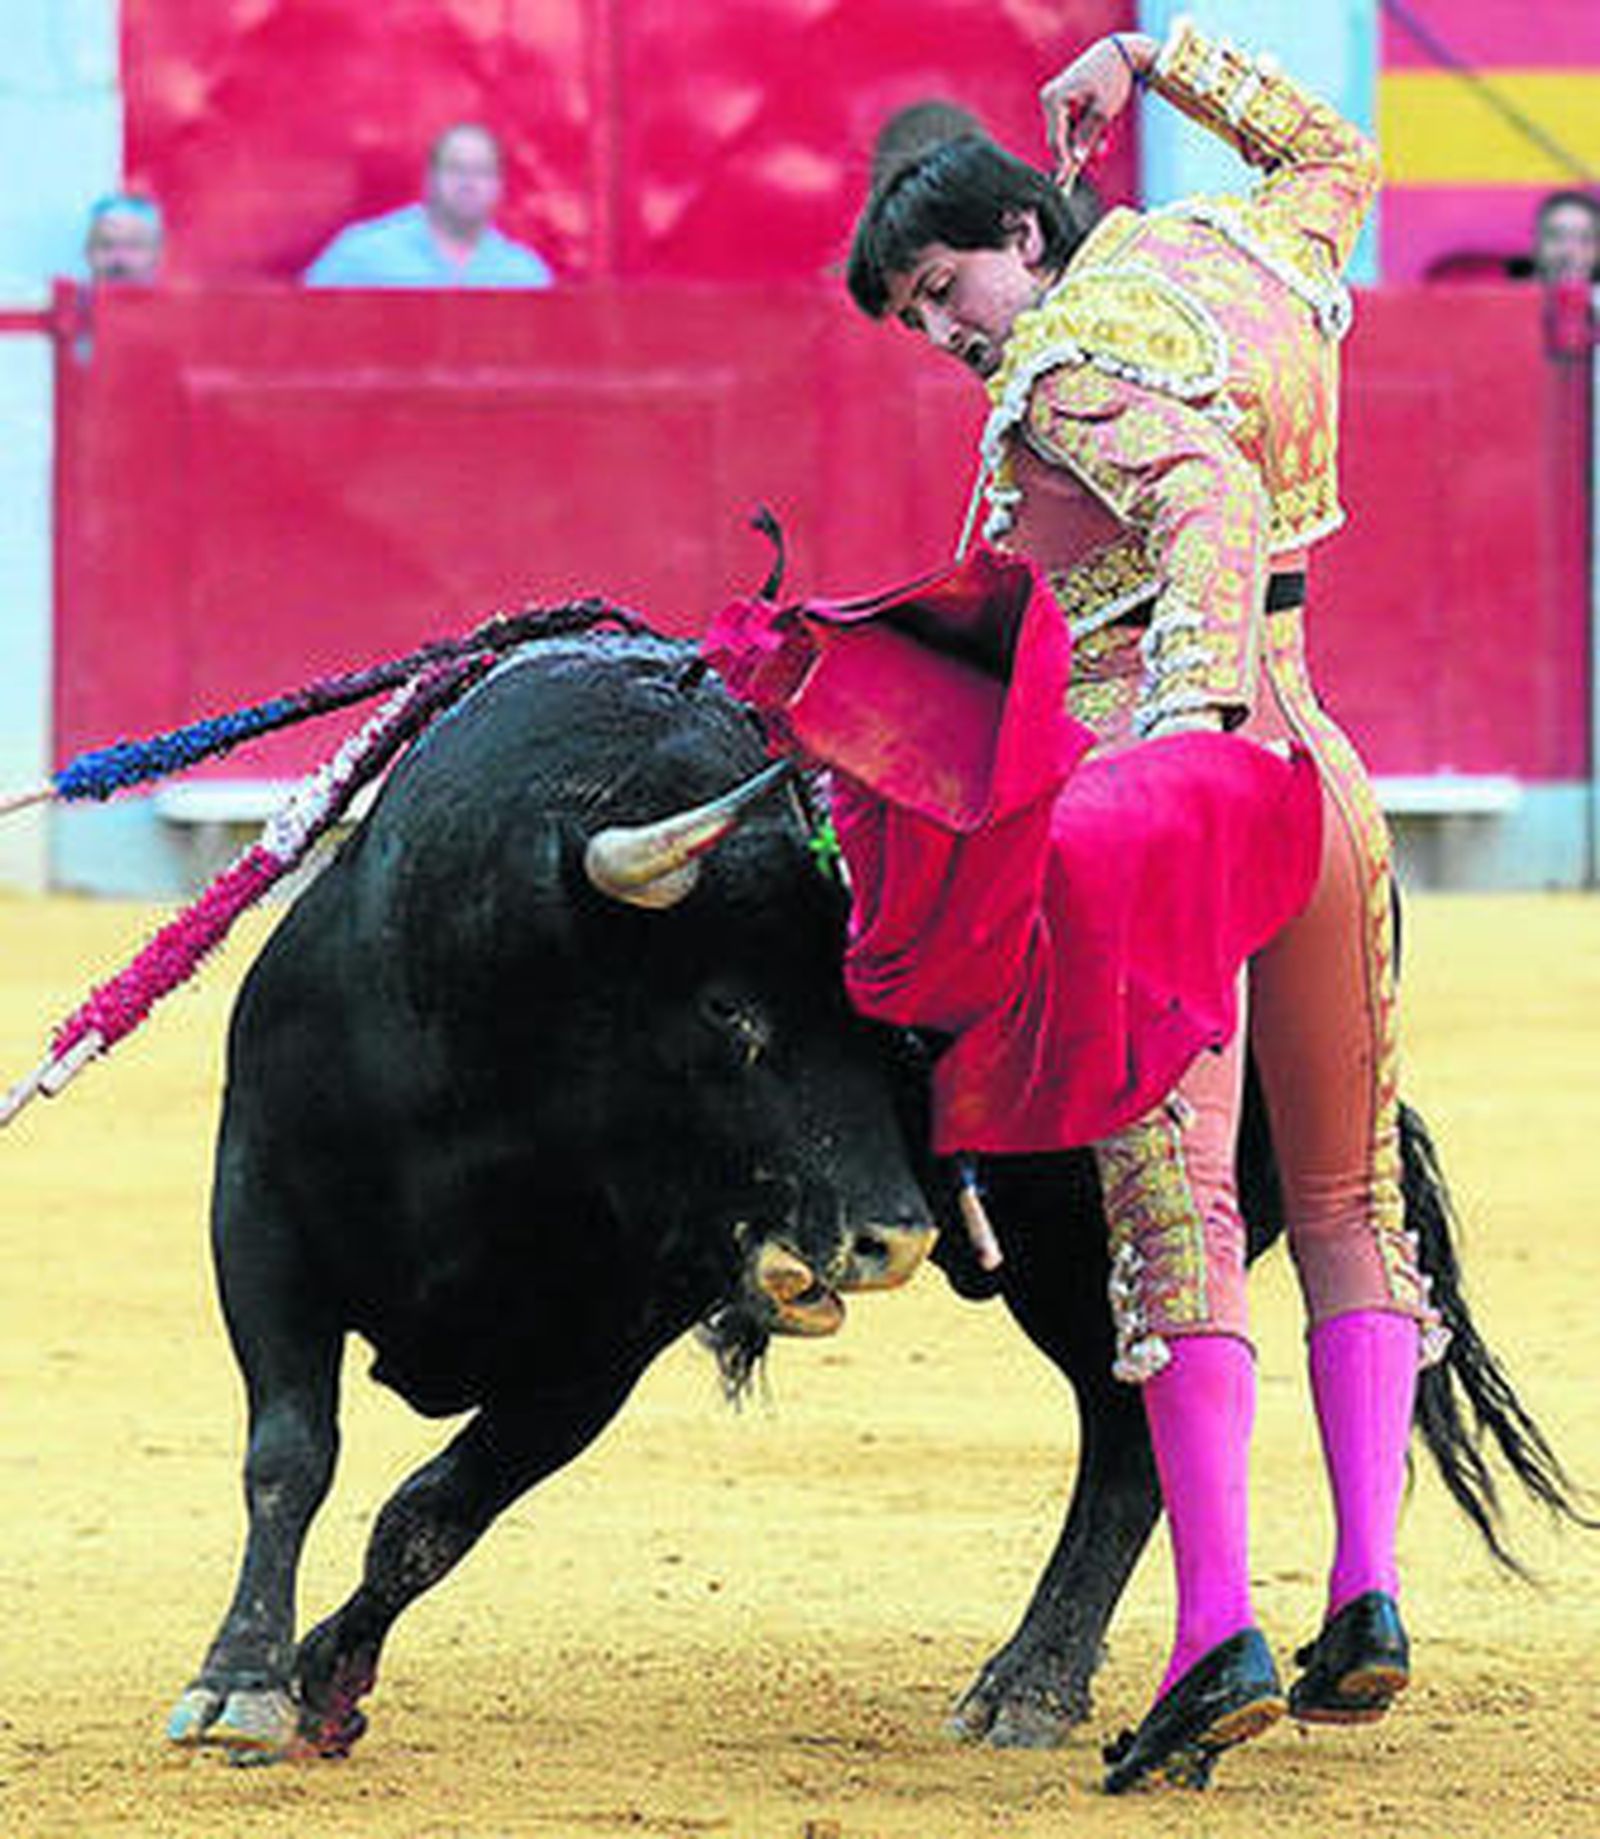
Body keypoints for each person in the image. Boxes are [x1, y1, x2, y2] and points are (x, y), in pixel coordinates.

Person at [727, 17, 1450, 1795]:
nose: (944, 326)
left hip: (1185, 791)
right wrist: (1153, 53)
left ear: (1026, 233)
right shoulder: (1251, 249)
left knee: (1180, 1214)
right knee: (1350, 1197)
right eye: (911, 313)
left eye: (945, 280)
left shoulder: (1059, 367)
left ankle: (1219, 1628)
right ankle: (1366, 1589)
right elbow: (1338, 153)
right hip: (1326, 773)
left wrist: (1186, 736)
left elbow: (1198, 498)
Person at [303, 123, 553, 288]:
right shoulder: (360, 252)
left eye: (482, 171)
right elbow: (303, 336)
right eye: (455, 168)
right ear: (428, 179)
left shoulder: (524, 274)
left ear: (500, 186)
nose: (469, 182)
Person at [83, 192, 164, 285]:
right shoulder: (69, 298)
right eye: (106, 245)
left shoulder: (178, 299)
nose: (119, 259)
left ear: (157, 253)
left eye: (134, 245)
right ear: (88, 252)